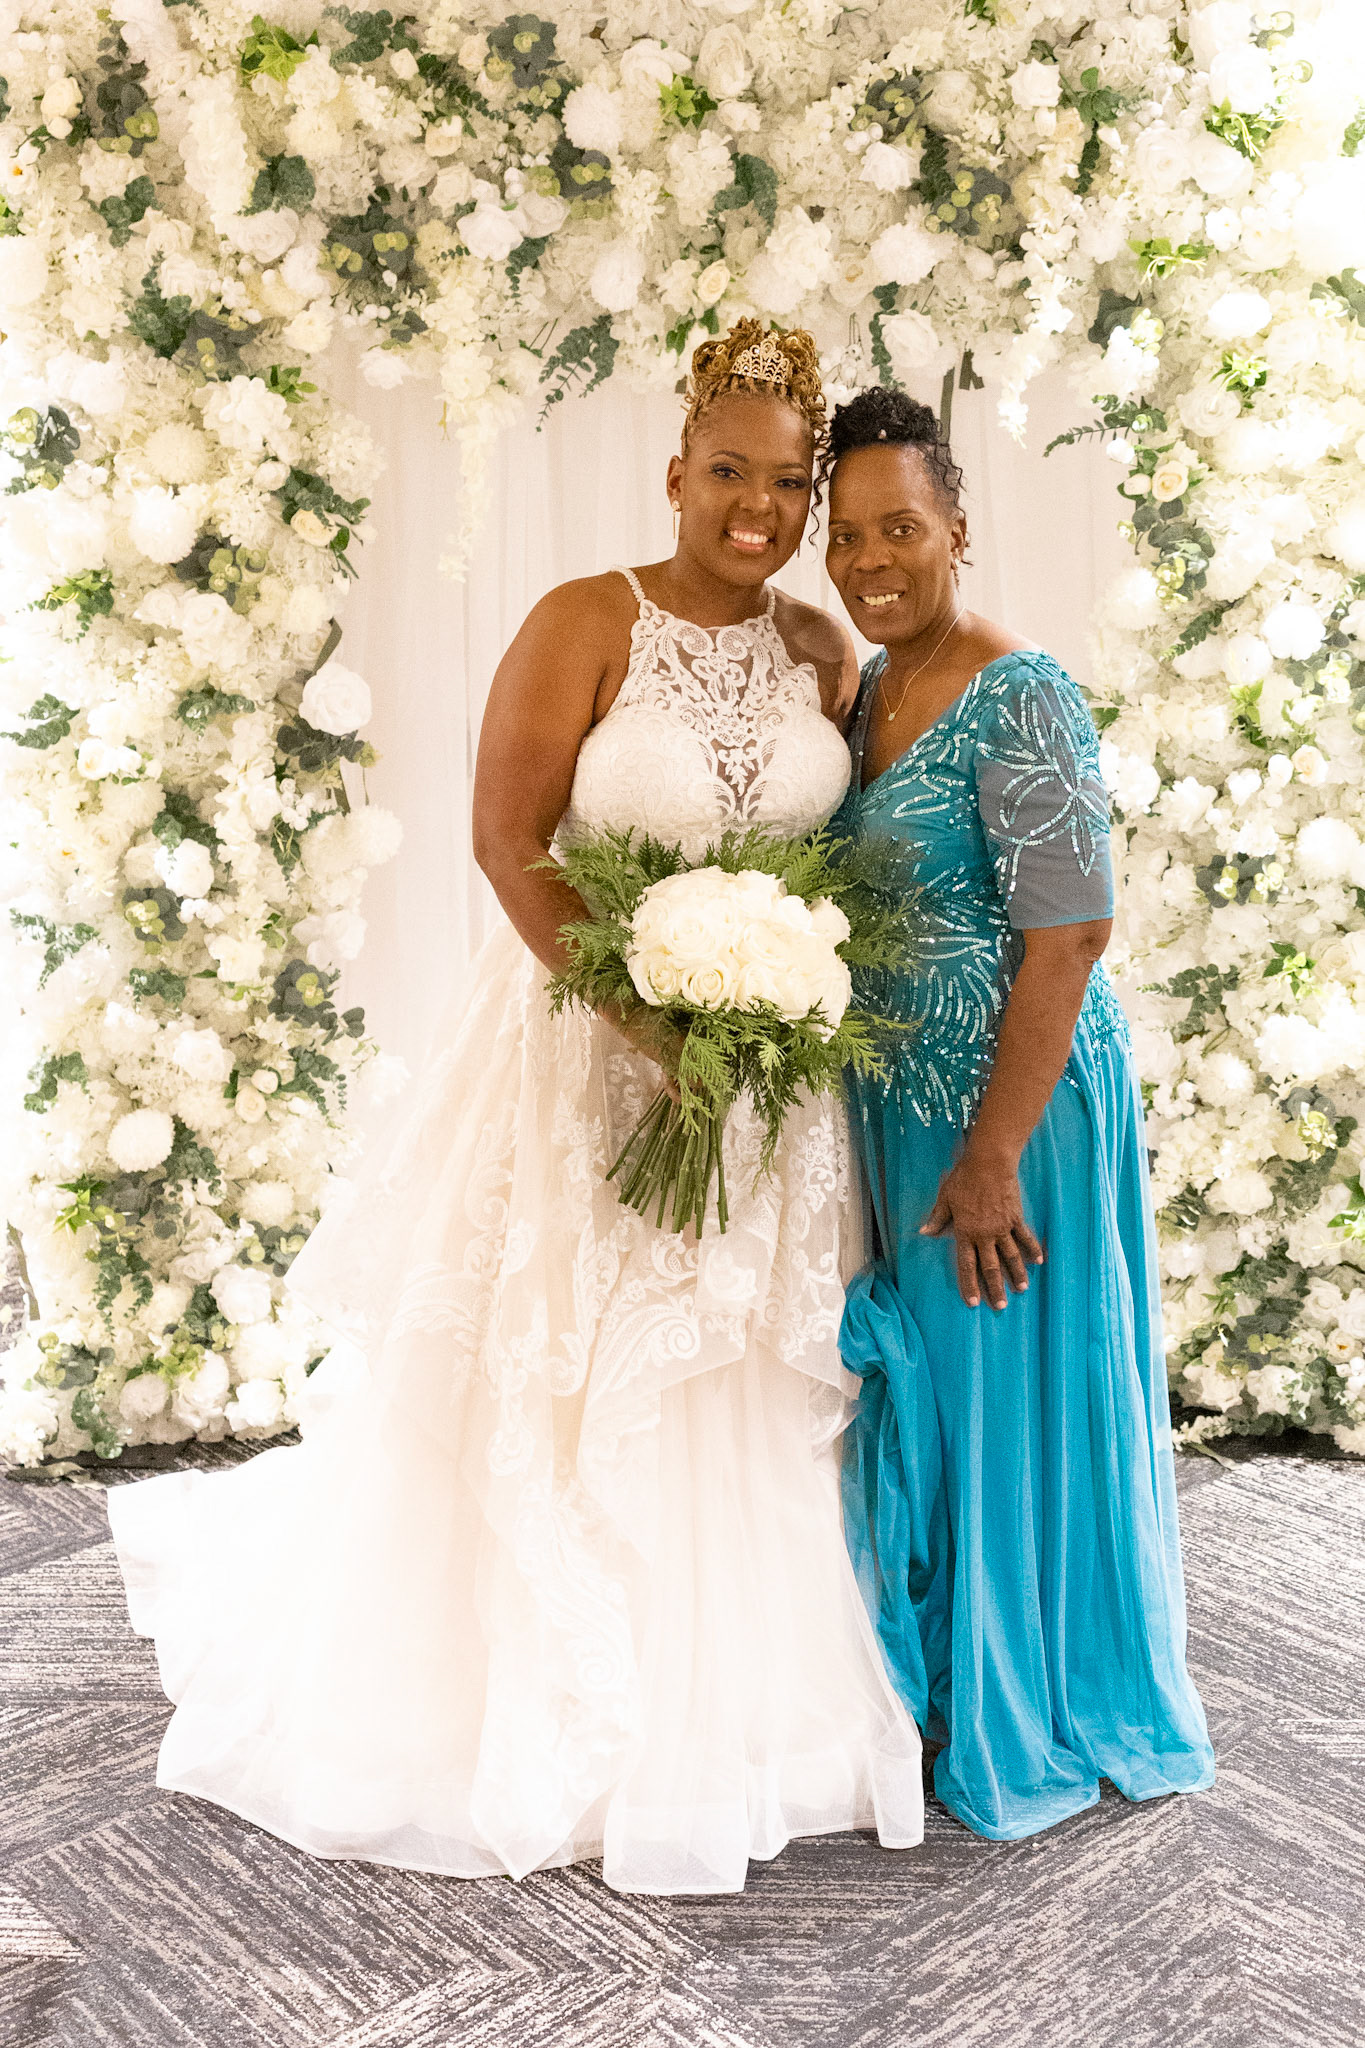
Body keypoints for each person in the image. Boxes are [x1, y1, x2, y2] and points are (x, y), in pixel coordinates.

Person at [106, 323, 924, 1896]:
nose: (757, 509)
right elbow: (506, 840)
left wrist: (760, 1002)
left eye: (786, 484)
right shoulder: (582, 622)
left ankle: (737, 1710)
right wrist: (648, 1019)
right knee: (560, 1369)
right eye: (729, 473)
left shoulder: (820, 650)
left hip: (763, 1081)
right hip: (586, 1056)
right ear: (674, 473)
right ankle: (537, 1703)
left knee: (734, 1371)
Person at [821, 386, 1215, 1841]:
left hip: (1017, 1113)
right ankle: (943, 1681)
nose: (870, 559)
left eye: (900, 527)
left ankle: (1028, 1689)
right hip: (907, 1110)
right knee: (940, 1392)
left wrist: (992, 1157)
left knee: (1007, 1404)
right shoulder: (869, 692)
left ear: (958, 529)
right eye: (846, 533)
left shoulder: (1020, 690)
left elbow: (1071, 935)